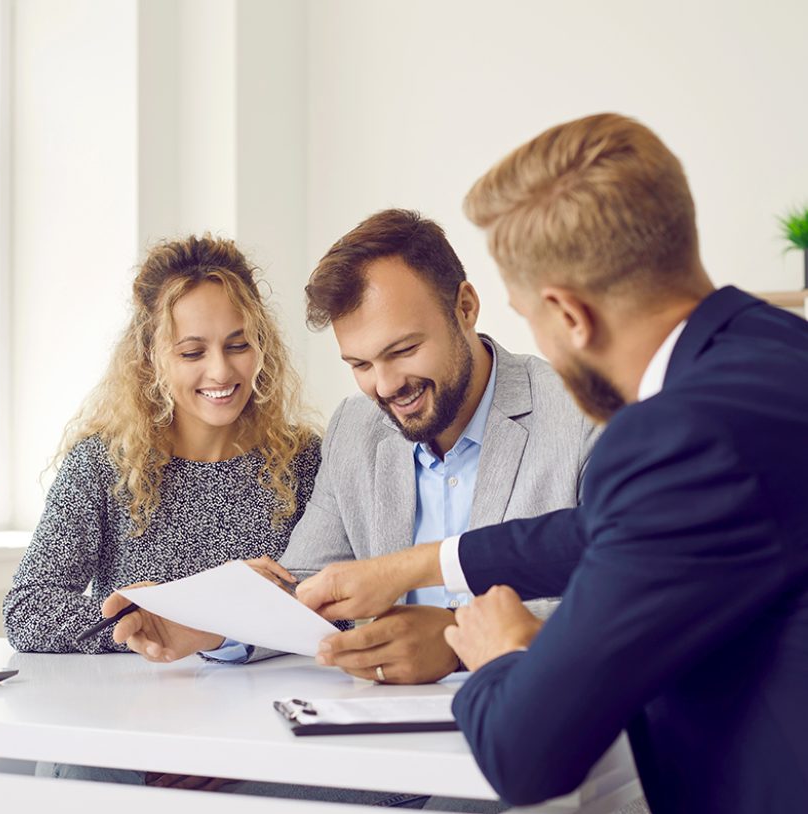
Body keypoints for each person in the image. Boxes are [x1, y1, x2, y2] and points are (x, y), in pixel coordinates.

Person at [295, 115, 808, 814]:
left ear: (567, 314)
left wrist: (499, 651)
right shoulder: (777, 350)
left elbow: (523, 754)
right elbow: (602, 531)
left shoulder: (674, 434)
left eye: (524, 314)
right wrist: (424, 565)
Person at [107, 209, 598, 689]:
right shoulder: (356, 426)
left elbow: (625, 592)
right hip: (373, 746)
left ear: (465, 307)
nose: (385, 387)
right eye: (360, 364)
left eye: (403, 350)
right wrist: (208, 623)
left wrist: (454, 640)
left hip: (537, 732)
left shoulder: (582, 410)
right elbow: (304, 583)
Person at [3, 234, 319, 790]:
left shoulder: (304, 461)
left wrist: (207, 625)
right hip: (130, 734)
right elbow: (28, 610)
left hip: (262, 737)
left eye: (238, 345)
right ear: (151, 357)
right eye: (192, 352)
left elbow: (328, 614)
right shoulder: (104, 463)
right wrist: (169, 620)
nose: (220, 372)